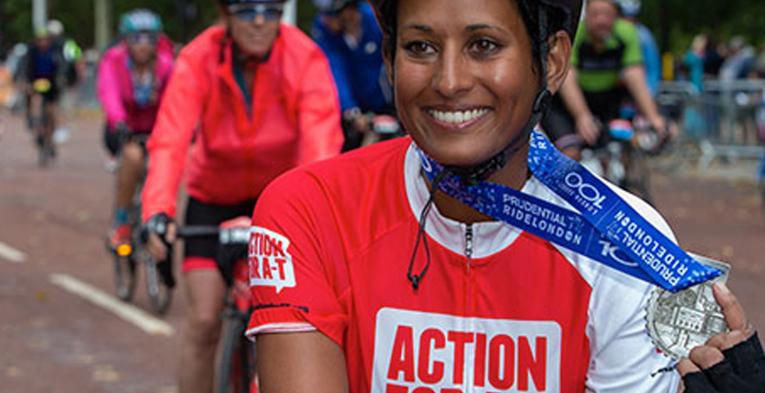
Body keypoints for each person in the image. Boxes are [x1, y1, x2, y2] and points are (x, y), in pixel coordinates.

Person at [243, 0, 765, 391]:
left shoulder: (626, 244)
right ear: (389, 58)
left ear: (553, 59)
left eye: (484, 46)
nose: (448, 81)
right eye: (420, 47)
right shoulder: (309, 208)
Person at [140, 0, 343, 392]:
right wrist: (157, 210)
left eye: (271, 9)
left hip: (281, 200)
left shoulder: (304, 55)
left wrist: (314, 210)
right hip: (212, 199)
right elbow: (170, 139)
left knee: (295, 323)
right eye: (247, 10)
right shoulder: (199, 56)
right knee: (202, 322)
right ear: (225, 14)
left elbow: (319, 137)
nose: (261, 21)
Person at [541, 0, 667, 159]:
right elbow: (568, 77)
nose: (601, 20)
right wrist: (582, 116)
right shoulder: (574, 34)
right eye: (595, 15)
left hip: (605, 99)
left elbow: (634, 74)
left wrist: (653, 117)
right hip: (566, 103)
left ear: (616, 16)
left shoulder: (627, 33)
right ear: (586, 17)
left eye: (607, 15)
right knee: (571, 152)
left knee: (621, 148)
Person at [97, 9, 174, 249]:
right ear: (126, 40)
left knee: (164, 164)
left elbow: (174, 98)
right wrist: (119, 121)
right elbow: (109, 93)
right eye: (136, 39)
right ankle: (121, 221)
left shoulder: (166, 65)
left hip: (156, 129)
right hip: (122, 128)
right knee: (132, 157)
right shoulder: (113, 60)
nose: (142, 45)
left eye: (149, 39)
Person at [311, 0, 395, 151]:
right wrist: (351, 110)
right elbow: (334, 70)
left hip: (386, 104)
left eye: (332, 14)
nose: (325, 20)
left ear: (350, 10)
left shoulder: (374, 20)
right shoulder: (324, 30)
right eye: (323, 14)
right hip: (351, 109)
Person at [21, 27, 65, 157]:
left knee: (51, 109)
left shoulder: (56, 50)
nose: (43, 43)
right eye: (40, 40)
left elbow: (61, 66)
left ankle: (51, 135)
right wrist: (26, 83)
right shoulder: (31, 51)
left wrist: (61, 79)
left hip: (52, 82)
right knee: (35, 103)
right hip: (36, 81)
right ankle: (36, 127)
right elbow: (26, 67)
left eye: (45, 40)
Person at [616, 0, 660, 97]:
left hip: (638, 95)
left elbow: (652, 68)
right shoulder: (611, 33)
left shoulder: (644, 36)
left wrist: (648, 94)